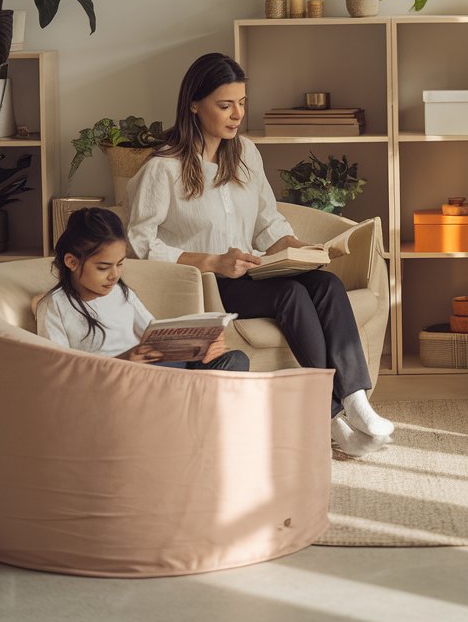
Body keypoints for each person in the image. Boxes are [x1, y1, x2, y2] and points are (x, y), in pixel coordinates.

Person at [126, 52, 393, 457]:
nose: (237, 114)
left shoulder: (246, 153)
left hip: (254, 269)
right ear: (194, 105)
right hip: (209, 283)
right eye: (225, 104)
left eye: (242, 103)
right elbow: (140, 244)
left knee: (324, 284)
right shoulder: (164, 168)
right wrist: (211, 261)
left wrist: (297, 247)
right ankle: (330, 418)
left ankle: (354, 400)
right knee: (291, 296)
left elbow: (268, 221)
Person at [38, 206, 249, 371]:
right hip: (119, 381)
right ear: (72, 262)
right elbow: (59, 371)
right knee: (206, 382)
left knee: (235, 360)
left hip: (161, 371)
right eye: (103, 267)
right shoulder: (55, 306)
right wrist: (124, 360)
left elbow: (155, 334)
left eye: (120, 264)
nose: (114, 275)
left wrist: (200, 348)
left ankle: (194, 401)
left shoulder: (121, 292)